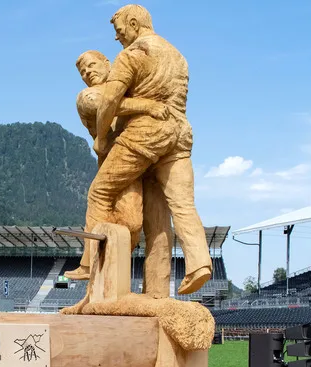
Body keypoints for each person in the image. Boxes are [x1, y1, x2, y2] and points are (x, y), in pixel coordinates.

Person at [68, 4, 212, 296]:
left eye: (120, 30)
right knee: (171, 211)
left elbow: (109, 101)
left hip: (145, 136)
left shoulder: (132, 54)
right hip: (179, 134)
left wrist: (101, 138)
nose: (118, 37)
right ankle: (195, 265)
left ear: (134, 23)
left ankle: (90, 262)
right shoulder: (178, 56)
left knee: (99, 192)